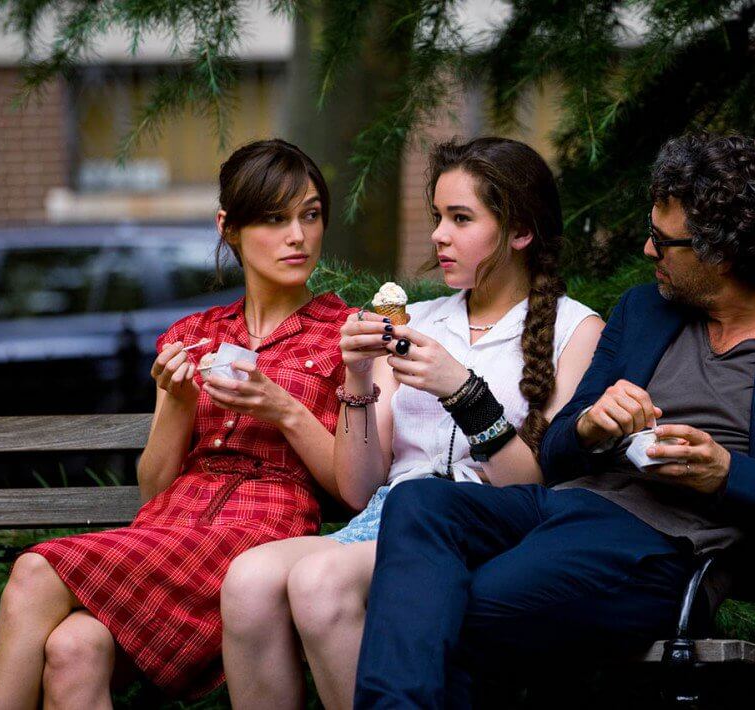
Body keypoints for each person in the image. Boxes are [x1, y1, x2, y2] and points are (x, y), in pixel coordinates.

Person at [353, 131, 755, 708]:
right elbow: (556, 451)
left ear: (724, 252)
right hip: (565, 508)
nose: (646, 250)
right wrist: (591, 425)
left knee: (467, 603)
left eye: (664, 241)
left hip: (672, 548)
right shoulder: (643, 312)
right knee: (420, 502)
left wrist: (727, 474)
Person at [220, 137, 604, 709]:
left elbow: (533, 486)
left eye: (460, 219)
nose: (438, 236)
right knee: (248, 581)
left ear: (520, 231)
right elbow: (359, 489)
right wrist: (357, 375)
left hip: (484, 527)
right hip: (387, 516)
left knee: (320, 581)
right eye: (437, 217)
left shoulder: (577, 332)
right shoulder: (414, 322)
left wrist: (463, 391)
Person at [0, 139, 354, 707]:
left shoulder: (346, 333)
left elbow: (353, 488)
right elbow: (155, 490)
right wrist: (179, 401)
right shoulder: (193, 335)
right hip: (169, 529)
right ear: (229, 228)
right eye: (274, 219)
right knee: (73, 648)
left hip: (257, 535)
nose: (298, 236)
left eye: (310, 215)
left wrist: (283, 407)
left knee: (37, 572)